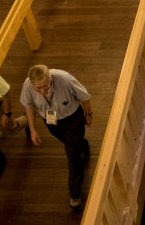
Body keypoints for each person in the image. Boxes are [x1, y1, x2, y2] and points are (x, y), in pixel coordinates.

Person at [21, 64, 93, 212]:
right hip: (51, 122)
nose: (42, 91)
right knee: (72, 144)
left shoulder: (65, 80)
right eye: (38, 88)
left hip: (73, 119)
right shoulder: (28, 84)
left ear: (50, 78)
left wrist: (88, 114)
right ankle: (82, 145)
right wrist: (33, 130)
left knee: (72, 157)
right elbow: (29, 106)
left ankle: (75, 194)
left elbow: (85, 96)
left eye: (45, 86)